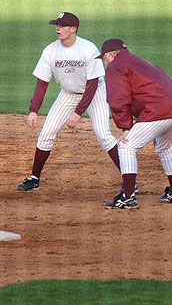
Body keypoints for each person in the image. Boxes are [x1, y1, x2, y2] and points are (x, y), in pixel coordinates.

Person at [17, 12, 121, 191]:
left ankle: (129, 180)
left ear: (73, 29)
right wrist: (33, 109)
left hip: (95, 92)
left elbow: (92, 83)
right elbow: (42, 82)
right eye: (57, 25)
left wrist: (78, 113)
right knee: (46, 133)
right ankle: (34, 177)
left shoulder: (88, 49)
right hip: (69, 93)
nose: (58, 29)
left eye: (63, 26)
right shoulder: (50, 50)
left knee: (103, 134)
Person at [99, 39, 172, 209]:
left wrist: (126, 127)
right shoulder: (143, 63)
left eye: (104, 59)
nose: (104, 63)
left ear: (111, 55)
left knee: (127, 146)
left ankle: (128, 197)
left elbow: (118, 99)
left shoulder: (115, 65)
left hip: (160, 109)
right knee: (163, 146)